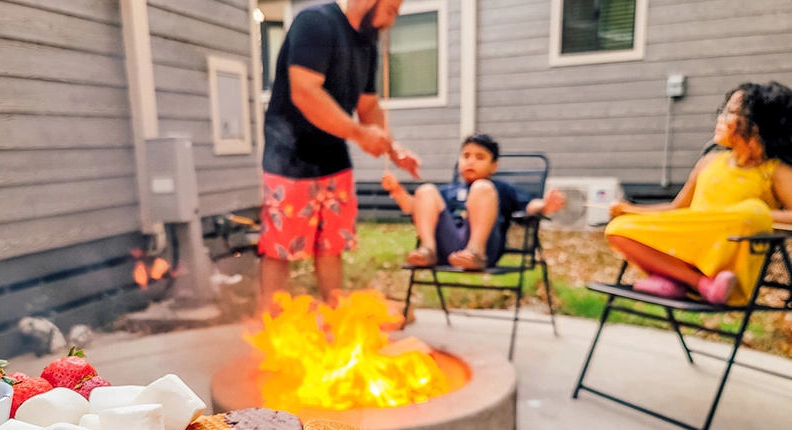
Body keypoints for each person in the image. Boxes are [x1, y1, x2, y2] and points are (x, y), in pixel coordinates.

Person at [259, 0, 421, 309]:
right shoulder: (316, 22)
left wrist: (393, 149)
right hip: (289, 157)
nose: (393, 19)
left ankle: (336, 323)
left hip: (333, 158)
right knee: (279, 249)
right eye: (392, 8)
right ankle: (267, 324)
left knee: (330, 247)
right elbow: (305, 92)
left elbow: (368, 106)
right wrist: (360, 134)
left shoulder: (366, 44)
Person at [606, 82, 792, 305]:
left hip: (726, 259)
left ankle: (678, 281)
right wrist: (631, 210)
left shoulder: (774, 171)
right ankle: (695, 282)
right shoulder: (709, 162)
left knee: (752, 210)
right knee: (618, 228)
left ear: (757, 125)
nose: (720, 118)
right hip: (689, 248)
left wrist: (753, 217)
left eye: (731, 113)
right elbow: (678, 209)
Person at [381, 134, 566, 269]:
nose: (471, 162)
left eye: (480, 157)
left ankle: (474, 252)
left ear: (494, 166)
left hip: (485, 249)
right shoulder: (449, 191)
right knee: (426, 190)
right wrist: (396, 189)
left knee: (481, 187)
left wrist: (545, 205)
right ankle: (427, 251)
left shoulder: (499, 188)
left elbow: (527, 206)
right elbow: (414, 208)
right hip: (446, 248)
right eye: (466, 156)